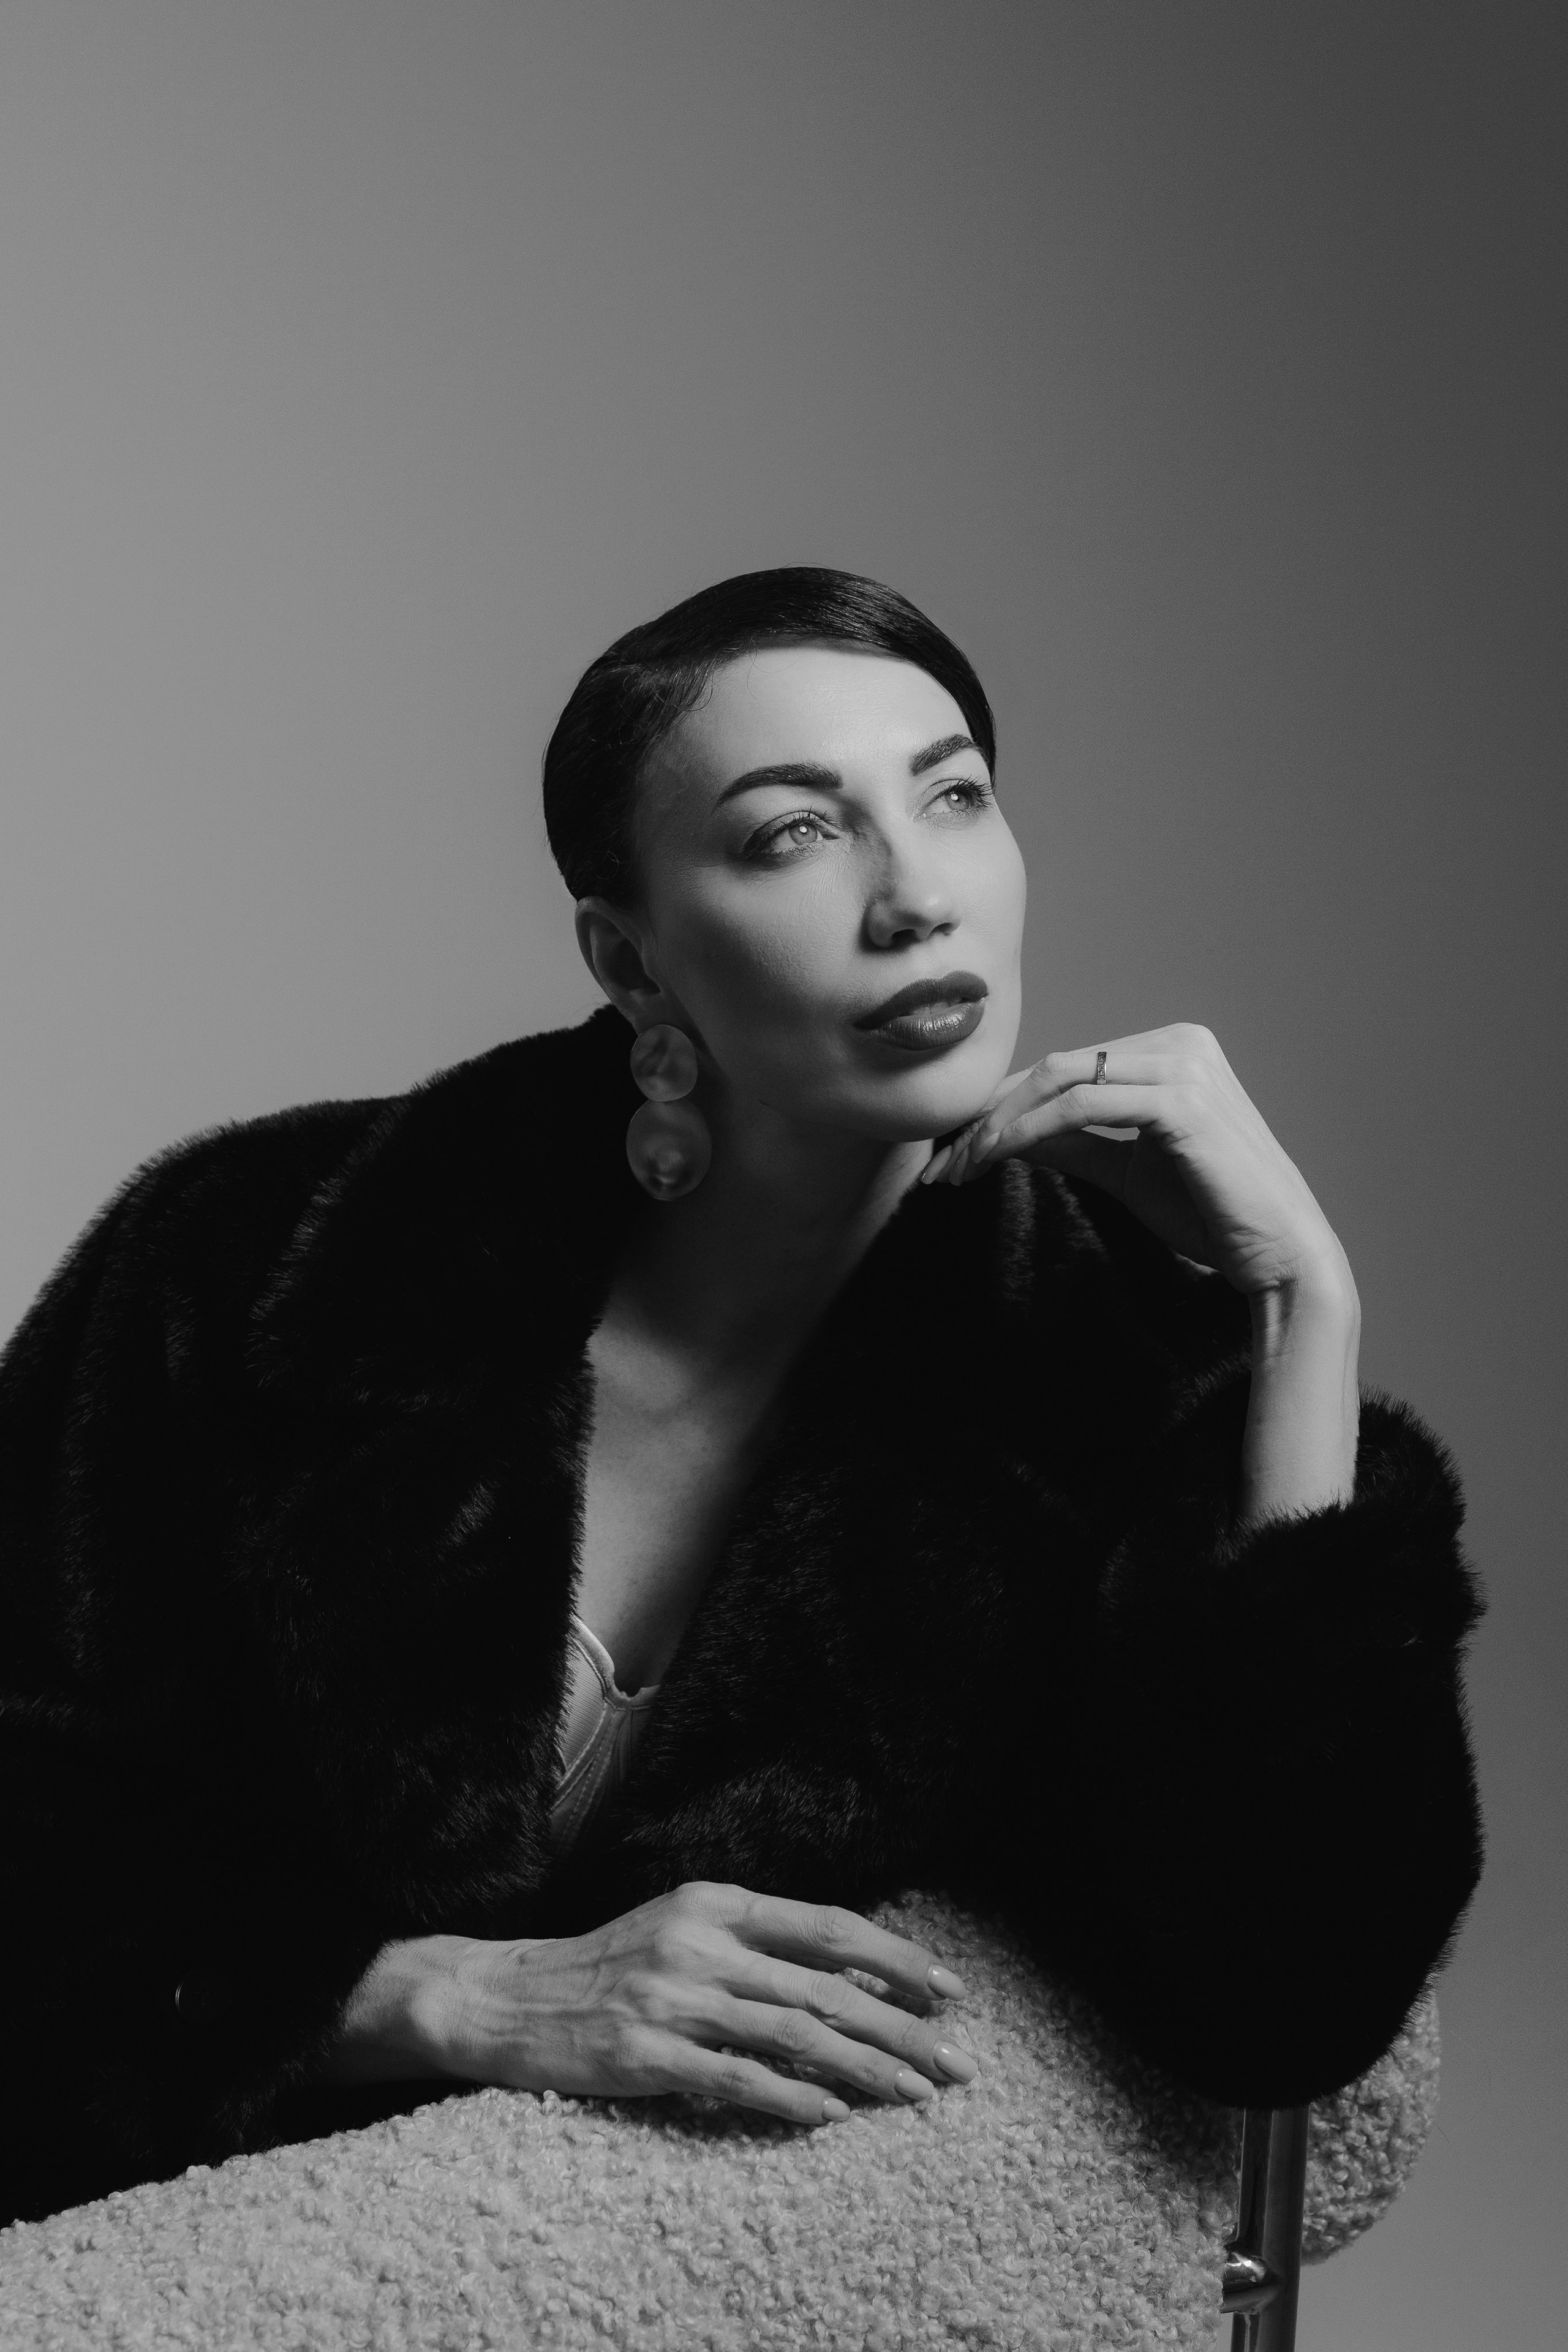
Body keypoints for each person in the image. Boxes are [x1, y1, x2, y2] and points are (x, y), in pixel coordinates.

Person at [0, 568, 1483, 2228]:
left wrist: (1302, 1310)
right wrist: (432, 1996)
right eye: (794, 833)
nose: (919, 896)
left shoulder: (1106, 1392)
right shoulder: (254, 1262)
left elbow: (1286, 1997)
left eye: (955, 797)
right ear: (633, 964)